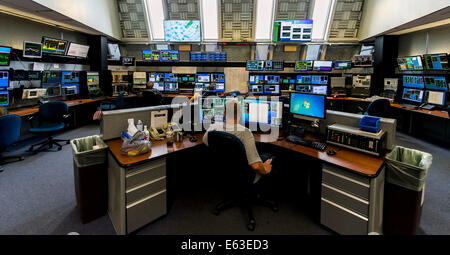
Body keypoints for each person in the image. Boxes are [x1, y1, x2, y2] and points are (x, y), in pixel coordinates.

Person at [203, 99, 273, 183]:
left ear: (224, 113)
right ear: (240, 114)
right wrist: (265, 168)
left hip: (222, 171)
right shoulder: (245, 132)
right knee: (269, 157)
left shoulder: (213, 127)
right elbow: (255, 166)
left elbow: (205, 141)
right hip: (244, 176)